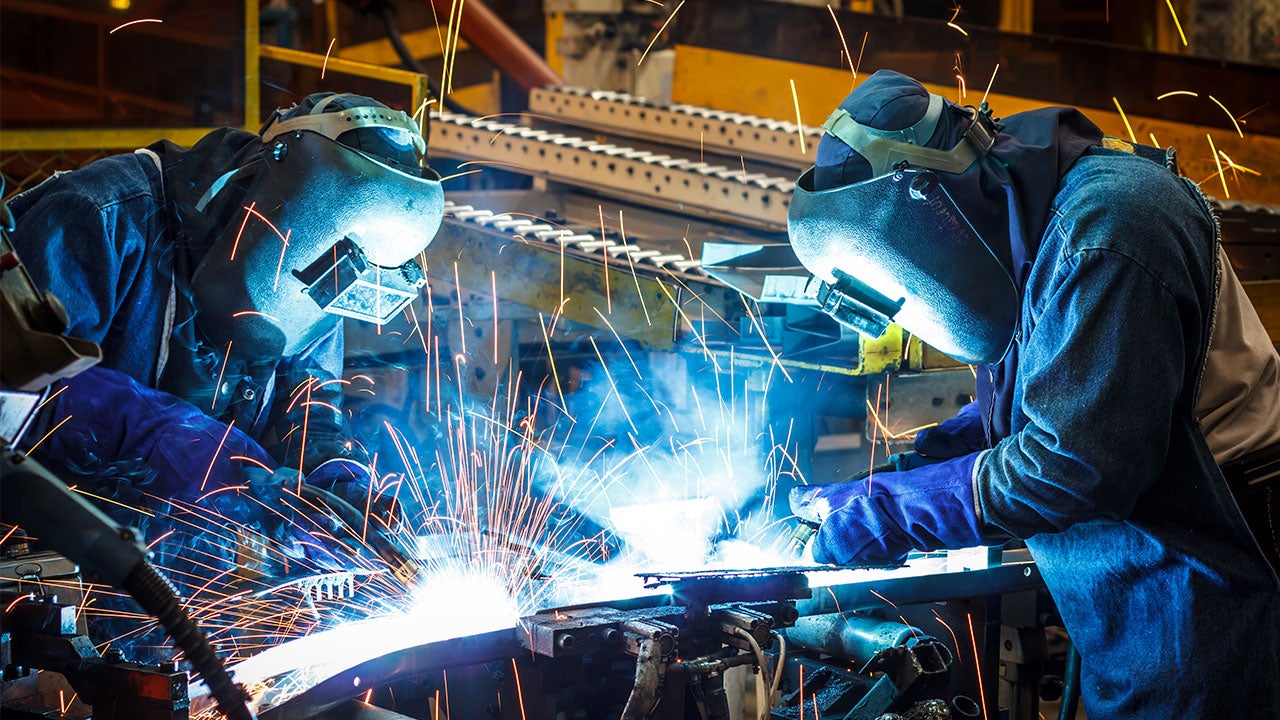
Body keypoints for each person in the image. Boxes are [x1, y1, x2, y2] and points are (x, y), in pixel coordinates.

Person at [787, 70, 1280, 718]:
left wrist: (891, 512)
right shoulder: (1032, 226)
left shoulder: (1107, 230)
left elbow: (1074, 463)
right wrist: (908, 474)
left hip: (1216, 571)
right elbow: (1046, 394)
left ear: (931, 202)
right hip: (1146, 580)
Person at [6, 93, 444, 651]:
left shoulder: (325, 278)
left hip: (175, 597)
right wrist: (159, 436)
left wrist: (337, 480)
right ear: (281, 207)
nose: (327, 297)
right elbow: (16, 385)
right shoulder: (98, 217)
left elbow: (309, 405)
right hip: (42, 581)